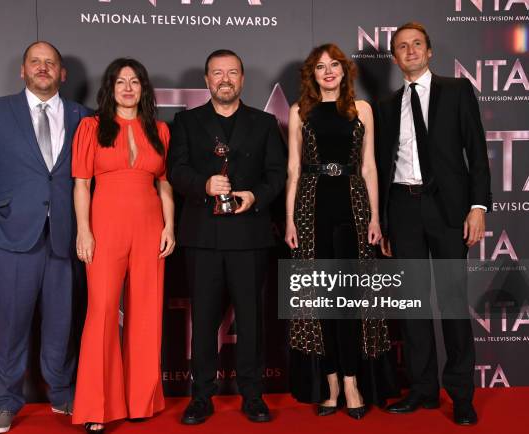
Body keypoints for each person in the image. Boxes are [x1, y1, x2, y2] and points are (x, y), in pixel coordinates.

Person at [0, 41, 91, 433]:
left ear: (62, 73)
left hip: (63, 238)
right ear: (23, 70)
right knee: (12, 325)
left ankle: (62, 392)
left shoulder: (83, 116)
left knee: (61, 323)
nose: (43, 67)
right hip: (9, 237)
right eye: (35, 62)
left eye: (51, 62)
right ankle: (4, 401)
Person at [376, 22, 491, 425]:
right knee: (412, 307)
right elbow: (381, 165)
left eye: (416, 45)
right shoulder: (388, 106)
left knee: (453, 304)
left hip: (447, 211)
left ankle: (460, 394)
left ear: (429, 52)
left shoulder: (457, 91)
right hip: (403, 209)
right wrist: (386, 222)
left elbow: (476, 153)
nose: (409, 51)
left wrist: (478, 207)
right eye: (401, 47)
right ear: (394, 57)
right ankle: (422, 390)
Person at [167, 49, 286, 424]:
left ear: (242, 79)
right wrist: (203, 184)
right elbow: (175, 170)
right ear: (206, 80)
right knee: (203, 321)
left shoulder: (265, 123)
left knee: (251, 321)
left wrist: (255, 197)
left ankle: (253, 396)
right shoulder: (185, 122)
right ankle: (201, 396)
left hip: (249, 234)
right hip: (202, 235)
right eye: (217, 73)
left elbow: (277, 175)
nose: (225, 79)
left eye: (232, 73)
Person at [285, 44, 397, 420]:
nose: (328, 71)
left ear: (344, 71)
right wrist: (289, 221)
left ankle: (352, 381)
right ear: (312, 74)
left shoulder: (361, 109)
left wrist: (376, 219)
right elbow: (294, 171)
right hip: (311, 208)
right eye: (321, 67)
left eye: (334, 65)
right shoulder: (300, 111)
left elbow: (369, 168)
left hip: (353, 206)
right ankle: (331, 382)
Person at [71, 58, 174, 434]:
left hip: (150, 227)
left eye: (135, 81)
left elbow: (165, 184)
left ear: (144, 88)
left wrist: (170, 227)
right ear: (110, 88)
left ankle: (139, 401)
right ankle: (96, 406)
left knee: (146, 313)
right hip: (105, 226)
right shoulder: (91, 127)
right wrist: (84, 231)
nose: (128, 87)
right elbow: (81, 183)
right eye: (120, 81)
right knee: (101, 314)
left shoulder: (159, 129)